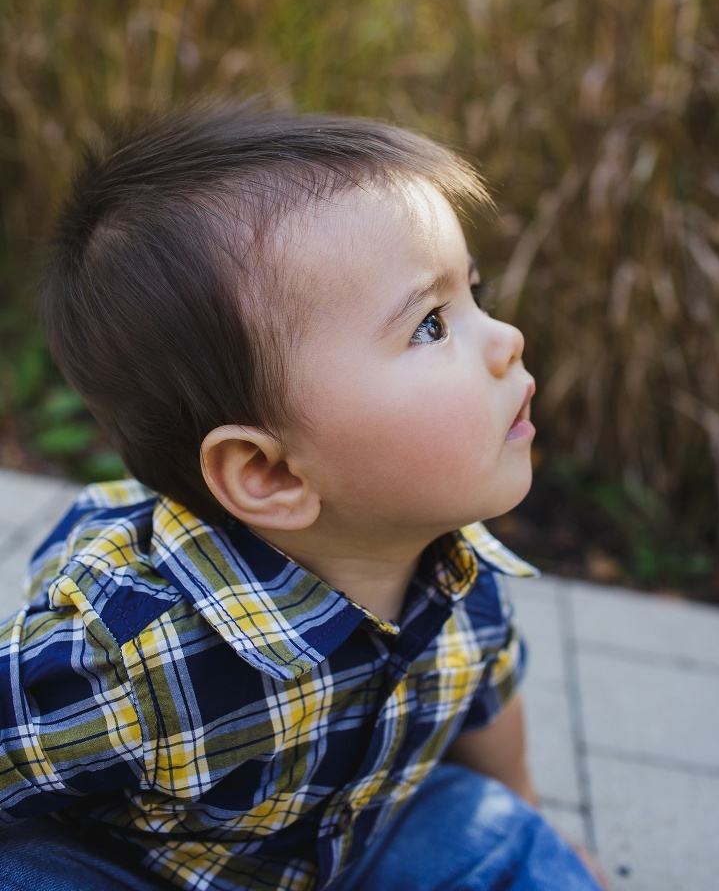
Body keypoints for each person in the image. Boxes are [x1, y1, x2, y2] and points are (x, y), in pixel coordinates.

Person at [0, 101, 604, 891]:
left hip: (348, 843)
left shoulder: (462, 572)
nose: (506, 338)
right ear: (272, 474)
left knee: (492, 828)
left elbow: (485, 704)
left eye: (475, 293)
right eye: (430, 324)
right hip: (146, 870)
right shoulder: (131, 657)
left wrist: (527, 819)